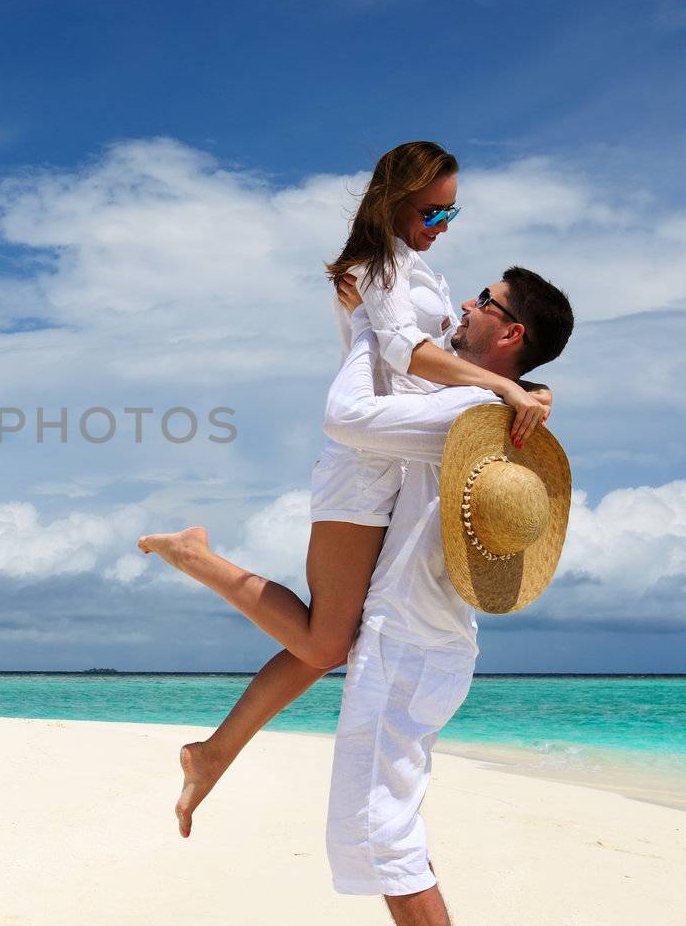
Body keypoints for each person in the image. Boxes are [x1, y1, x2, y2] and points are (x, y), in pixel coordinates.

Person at [138, 266, 575, 926]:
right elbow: (408, 373)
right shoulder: (484, 410)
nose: (468, 308)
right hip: (427, 644)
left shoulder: (466, 412)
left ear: (511, 335)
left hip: (408, 648)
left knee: (385, 832)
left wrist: (372, 327)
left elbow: (352, 419)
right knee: (383, 807)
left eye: (485, 303)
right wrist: (370, 321)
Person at [142, 142, 549, 686]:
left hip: (402, 452)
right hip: (362, 458)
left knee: (345, 636)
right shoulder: (376, 264)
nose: (444, 224)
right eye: (433, 211)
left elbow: (457, 358)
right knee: (326, 641)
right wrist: (505, 385)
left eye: (451, 211)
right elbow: (407, 352)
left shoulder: (424, 271)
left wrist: (532, 388)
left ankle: (211, 757)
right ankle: (194, 556)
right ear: (394, 200)